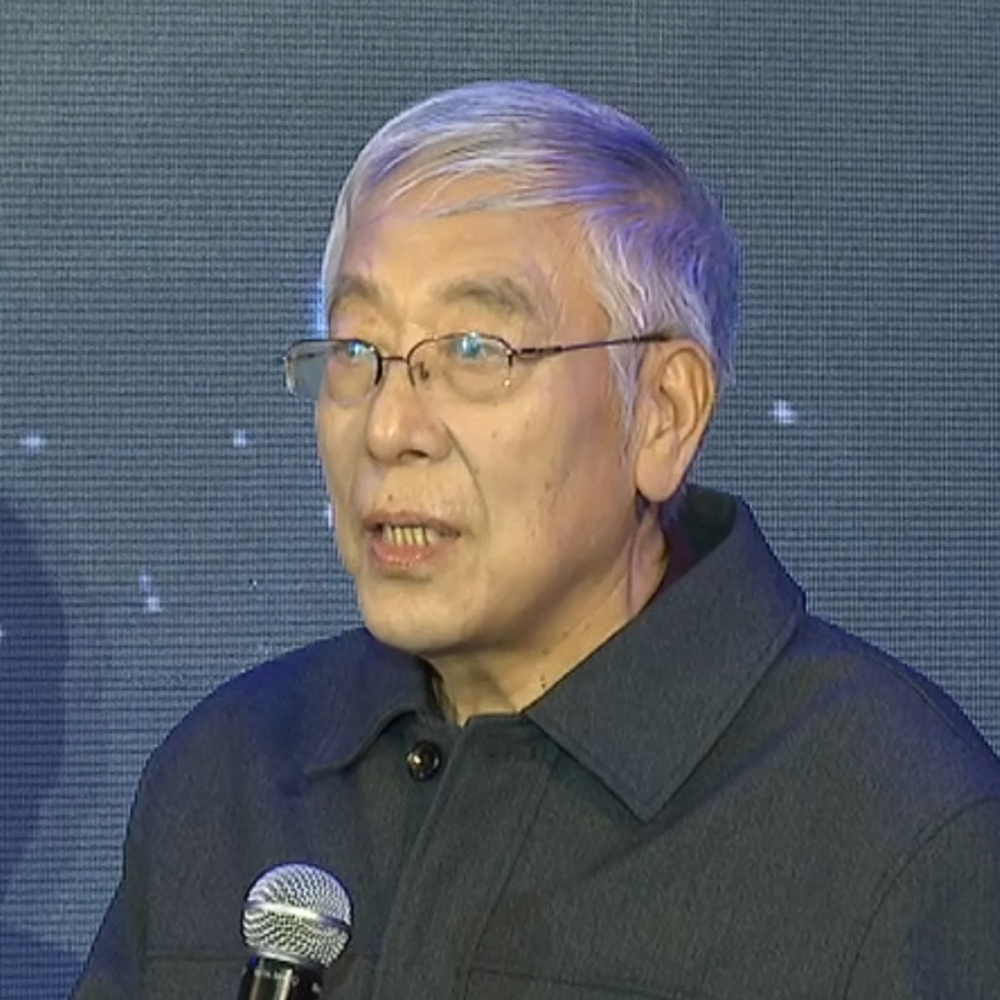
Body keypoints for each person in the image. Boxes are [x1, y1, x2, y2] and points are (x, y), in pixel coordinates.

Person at [73, 81, 1000, 1000]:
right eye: (355, 351)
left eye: (475, 351)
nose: (389, 427)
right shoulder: (229, 777)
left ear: (664, 413)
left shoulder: (897, 828)